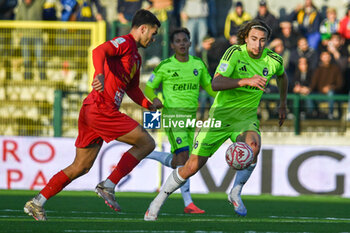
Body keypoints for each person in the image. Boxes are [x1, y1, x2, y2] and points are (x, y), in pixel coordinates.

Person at [23, 9, 161, 221]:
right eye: (153, 33)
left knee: (81, 166)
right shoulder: (125, 42)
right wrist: (99, 74)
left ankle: (37, 202)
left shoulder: (136, 57)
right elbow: (99, 51)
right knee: (146, 143)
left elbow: (132, 89)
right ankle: (109, 185)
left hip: (93, 110)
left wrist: (148, 104)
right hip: (100, 108)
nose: (153, 39)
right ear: (143, 28)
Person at [144, 19, 288, 221]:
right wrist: (246, 80)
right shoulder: (234, 53)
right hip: (220, 117)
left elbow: (282, 77)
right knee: (190, 166)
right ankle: (157, 201)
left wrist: (282, 103)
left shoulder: (273, 60)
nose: (258, 44)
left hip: (245, 118)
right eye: (254, 39)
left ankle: (235, 191)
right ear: (245, 38)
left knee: (253, 147)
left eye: (263, 40)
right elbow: (217, 82)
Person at [144, 27, 216, 214]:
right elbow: (149, 87)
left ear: (190, 43)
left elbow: (210, 88)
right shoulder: (165, 65)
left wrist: (228, 96)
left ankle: (145, 153)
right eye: (178, 41)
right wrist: (155, 99)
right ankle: (188, 203)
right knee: (185, 159)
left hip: (191, 119)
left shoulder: (198, 64)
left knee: (179, 161)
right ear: (173, 45)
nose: (182, 43)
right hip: (173, 117)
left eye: (185, 40)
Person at [15, 0, 47, 80]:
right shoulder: (21, 6)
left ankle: (42, 76)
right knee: (26, 58)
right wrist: (19, 32)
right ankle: (27, 76)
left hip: (37, 35)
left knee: (40, 57)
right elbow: (17, 20)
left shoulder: (38, 3)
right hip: (25, 36)